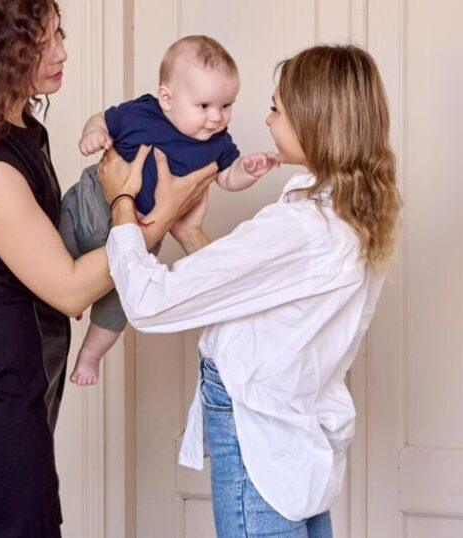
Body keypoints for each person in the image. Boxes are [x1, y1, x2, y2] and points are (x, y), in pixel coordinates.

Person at [0, 2, 215, 536]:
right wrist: (153, 212)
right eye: (41, 41)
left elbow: (59, 251)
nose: (61, 52)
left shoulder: (20, 128)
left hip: (17, 370)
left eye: (60, 34)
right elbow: (70, 289)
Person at [99, 44, 402, 537]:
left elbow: (150, 305)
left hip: (259, 437)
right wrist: (190, 234)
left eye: (276, 108)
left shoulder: (298, 227)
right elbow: (265, 298)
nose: (266, 119)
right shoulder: (349, 215)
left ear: (313, 121)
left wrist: (122, 203)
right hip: (295, 438)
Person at [61, 35, 278, 386]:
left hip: (140, 235)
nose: (216, 117)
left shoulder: (218, 143)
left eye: (226, 105)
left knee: (119, 304)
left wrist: (247, 171)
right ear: (167, 98)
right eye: (204, 106)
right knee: (57, 253)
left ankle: (90, 356)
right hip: (90, 206)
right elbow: (101, 119)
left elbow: (227, 176)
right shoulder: (141, 113)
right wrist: (94, 133)